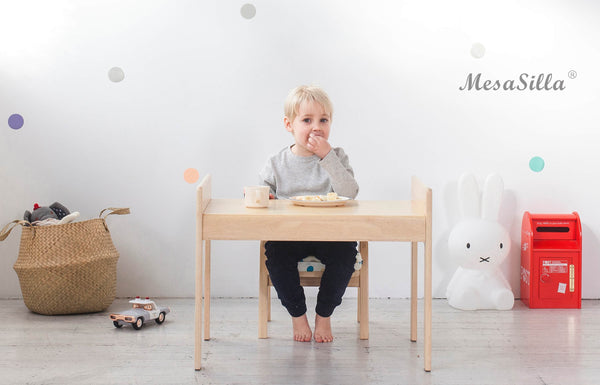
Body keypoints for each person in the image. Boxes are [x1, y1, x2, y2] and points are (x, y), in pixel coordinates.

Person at [259, 85, 359, 343]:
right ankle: (298, 315)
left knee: (346, 256)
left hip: (330, 233)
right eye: (307, 120)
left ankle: (324, 315)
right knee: (276, 258)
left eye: (323, 120)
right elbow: (262, 191)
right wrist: (267, 196)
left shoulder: (336, 157)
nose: (317, 127)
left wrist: (327, 156)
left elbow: (350, 191)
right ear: (289, 125)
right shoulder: (276, 162)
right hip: (289, 234)